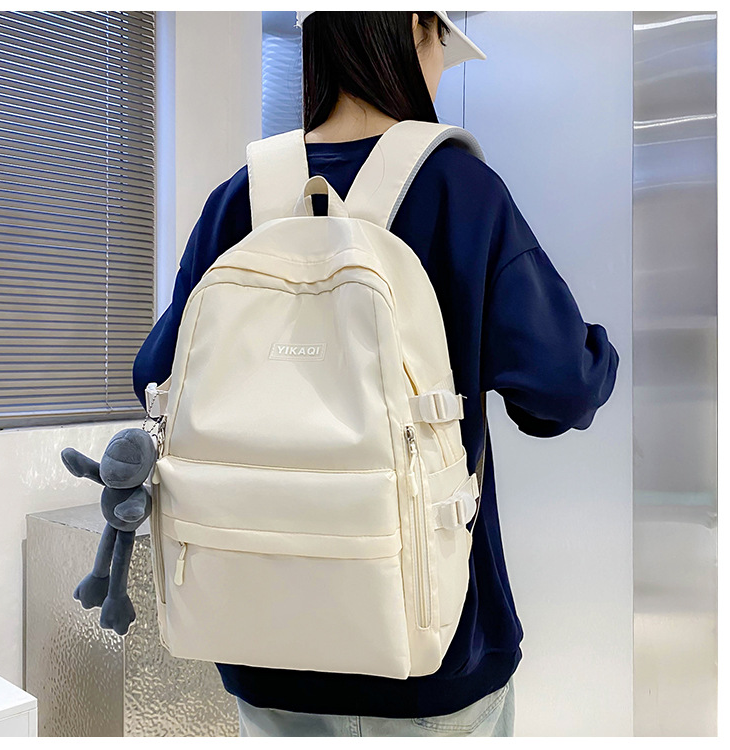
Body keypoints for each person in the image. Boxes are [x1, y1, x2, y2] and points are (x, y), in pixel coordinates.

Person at [132, 11, 619, 738]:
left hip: (261, 653)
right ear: (418, 26)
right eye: (443, 45)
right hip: (431, 658)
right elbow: (562, 389)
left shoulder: (242, 198)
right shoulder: (460, 191)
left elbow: (154, 376)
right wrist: (597, 353)